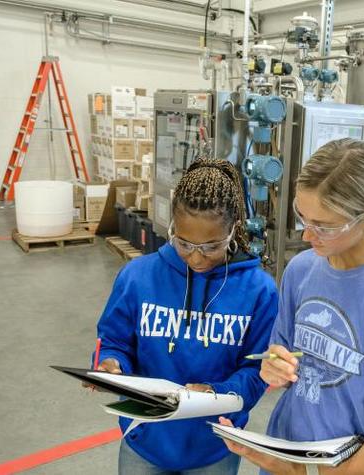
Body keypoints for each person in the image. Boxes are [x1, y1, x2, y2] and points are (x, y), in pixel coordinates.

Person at [220, 138, 364, 475]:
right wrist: (274, 368)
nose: (308, 236)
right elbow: (280, 354)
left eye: (324, 226)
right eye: (302, 217)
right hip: (288, 457)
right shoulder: (302, 269)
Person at [94, 158, 278, 474]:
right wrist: (112, 365)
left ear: (234, 229)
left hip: (215, 447)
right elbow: (113, 341)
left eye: (211, 246)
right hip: (145, 441)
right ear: (172, 229)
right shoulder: (138, 277)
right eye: (184, 243)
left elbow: (256, 370)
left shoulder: (259, 290)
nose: (196, 257)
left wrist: (216, 392)